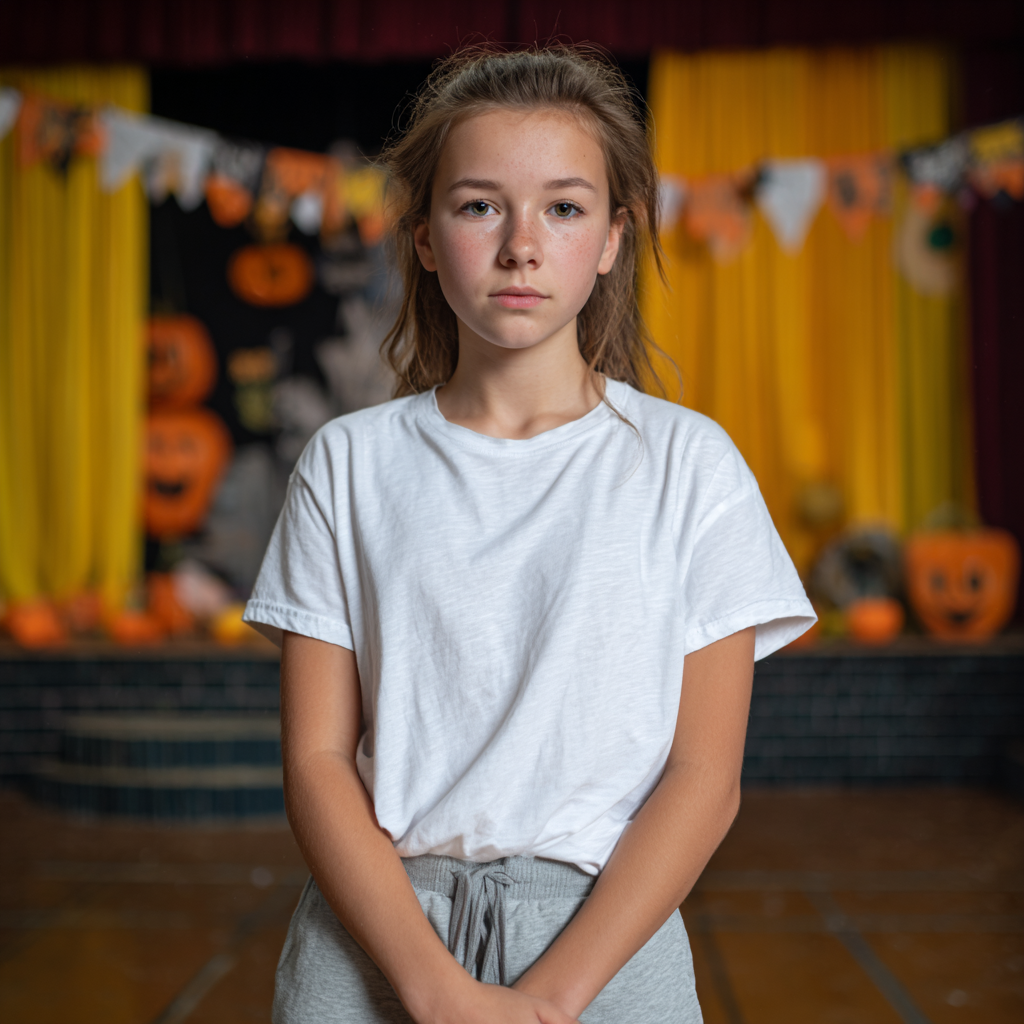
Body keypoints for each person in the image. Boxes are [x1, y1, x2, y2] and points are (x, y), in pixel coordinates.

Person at [243, 45, 815, 1024]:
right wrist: (434, 992)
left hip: (606, 935)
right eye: (479, 206)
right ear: (424, 238)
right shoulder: (348, 464)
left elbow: (703, 777)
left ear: (613, 238)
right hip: (379, 934)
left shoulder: (691, 466)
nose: (521, 245)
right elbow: (316, 763)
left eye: (563, 208)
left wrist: (550, 999)